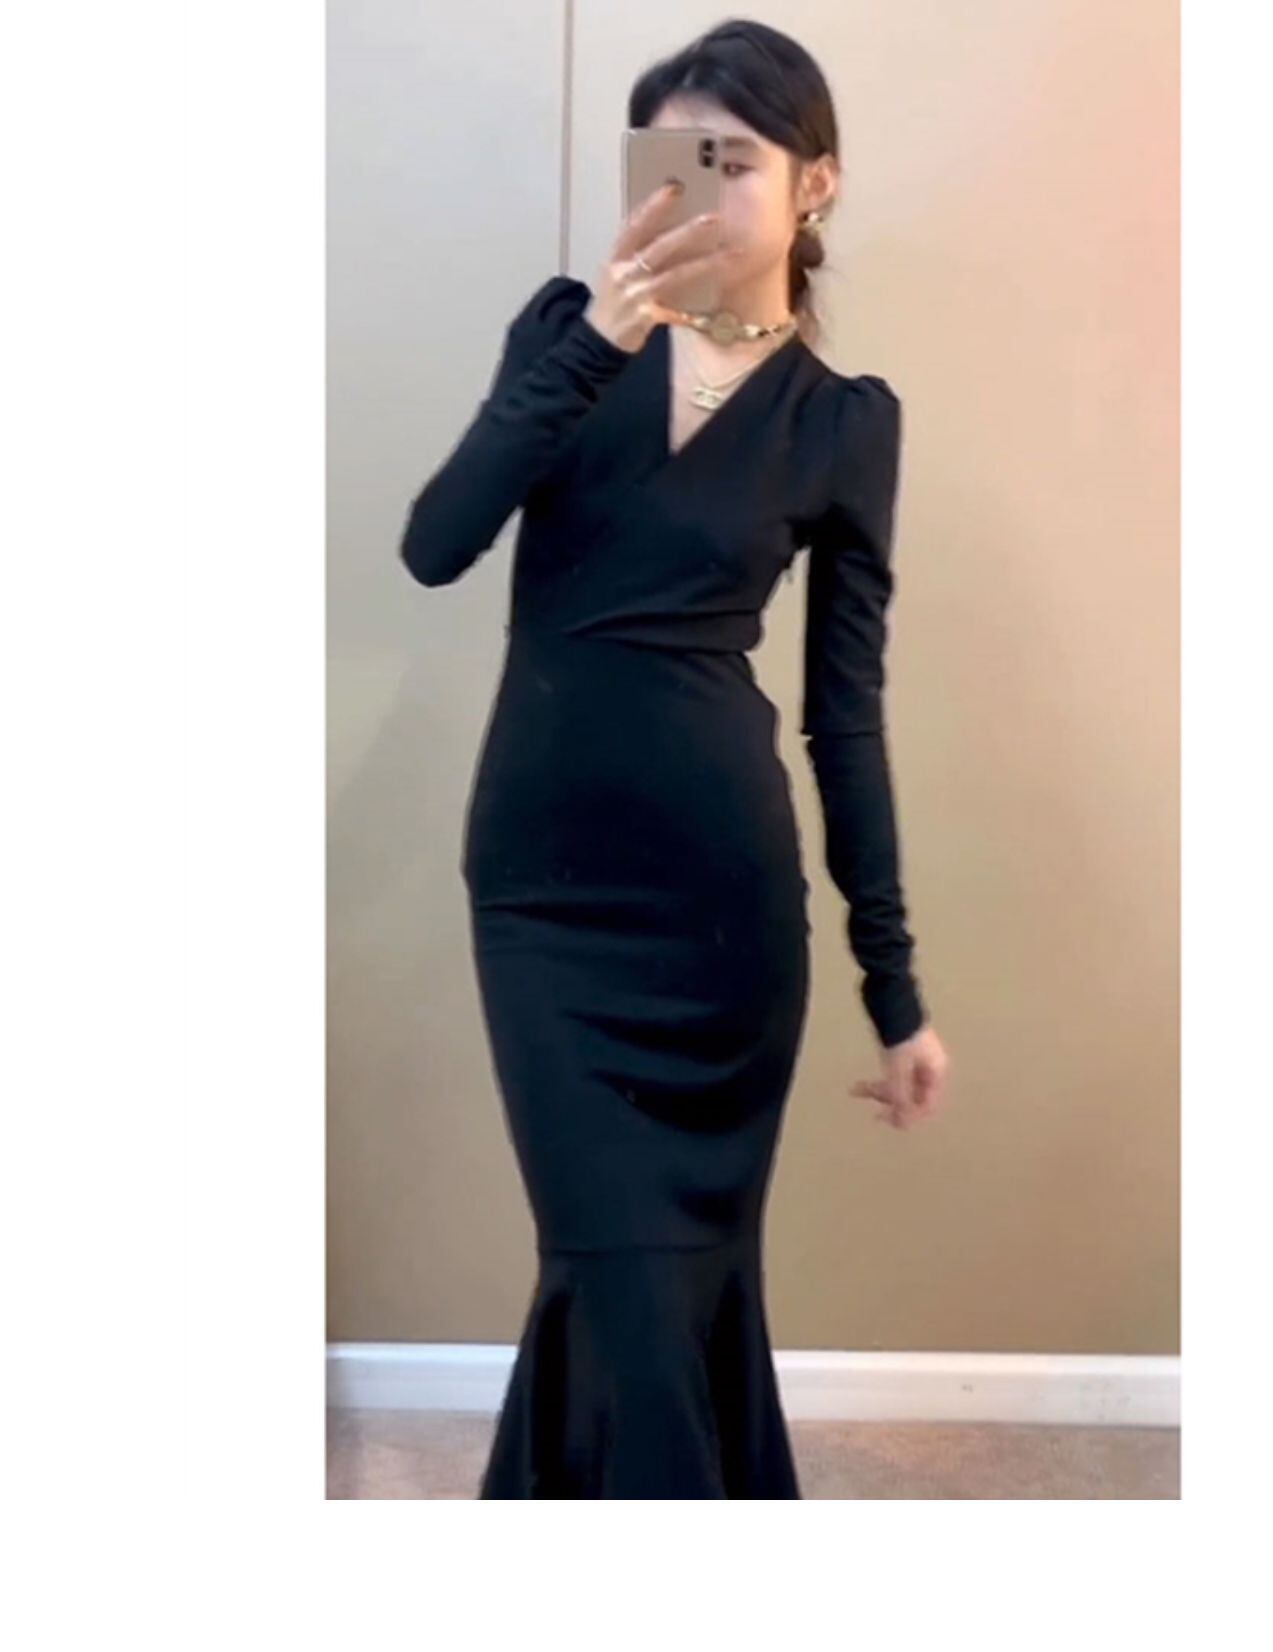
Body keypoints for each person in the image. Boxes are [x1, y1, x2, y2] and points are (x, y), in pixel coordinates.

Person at [399, 19, 950, 1498]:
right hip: (546, 901)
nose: (692, 192)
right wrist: (601, 338)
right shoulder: (567, 342)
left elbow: (846, 718)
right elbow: (436, 545)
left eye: (735, 159)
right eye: (666, 162)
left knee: (676, 1285)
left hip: (723, 920)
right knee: (613, 1270)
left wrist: (894, 989)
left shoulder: (843, 423)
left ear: (817, 182)